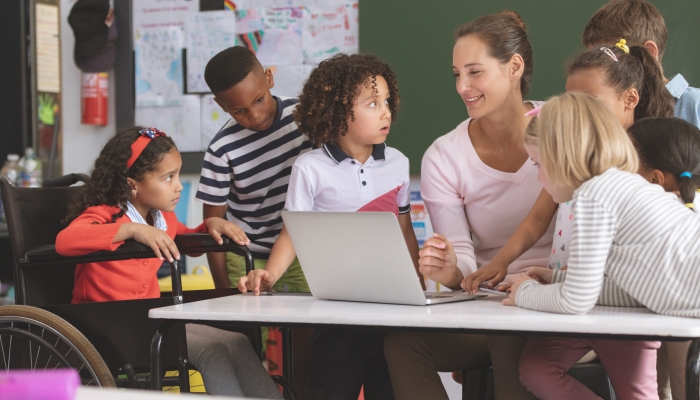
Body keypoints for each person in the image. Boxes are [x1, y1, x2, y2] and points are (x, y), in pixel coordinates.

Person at [383, 11, 547, 400]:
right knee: (403, 343)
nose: (462, 86)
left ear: (514, 67)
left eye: (474, 72)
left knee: (508, 340)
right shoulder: (444, 155)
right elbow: (465, 262)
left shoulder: (562, 128)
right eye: (457, 74)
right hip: (490, 302)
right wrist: (452, 269)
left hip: (558, 296)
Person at [240, 53, 419, 400]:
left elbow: (404, 228)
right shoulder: (310, 168)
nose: (386, 112)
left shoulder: (398, 163)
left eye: (386, 101)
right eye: (372, 103)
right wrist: (271, 275)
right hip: (337, 312)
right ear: (338, 110)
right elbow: (293, 230)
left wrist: (417, 287)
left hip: (391, 310)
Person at [56, 127, 282, 399]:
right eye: (167, 178)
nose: (178, 186)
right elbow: (66, 241)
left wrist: (209, 225)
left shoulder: (161, 218)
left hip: (151, 318)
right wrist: (131, 231)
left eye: (177, 175)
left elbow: (185, 240)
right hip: (108, 326)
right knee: (212, 351)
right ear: (132, 183)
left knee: (237, 340)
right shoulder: (107, 214)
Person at [510, 92, 700, 400]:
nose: (540, 179)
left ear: (562, 155)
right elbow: (635, 292)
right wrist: (558, 278)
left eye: (538, 164)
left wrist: (523, 293)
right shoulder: (618, 187)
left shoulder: (594, 196)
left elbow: (575, 303)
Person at [463, 40, 674, 292]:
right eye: (571, 99)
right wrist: (501, 262)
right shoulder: (573, 155)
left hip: (603, 287)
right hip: (574, 283)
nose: (577, 110)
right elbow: (538, 217)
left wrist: (564, 280)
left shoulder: (640, 162)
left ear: (630, 99)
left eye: (588, 100)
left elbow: (621, 256)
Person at [582, 3, 700, 396]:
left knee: (681, 367)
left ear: (646, 53)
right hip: (633, 283)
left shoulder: (693, 108)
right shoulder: (615, 119)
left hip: (682, 276)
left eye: (612, 57)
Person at [195, 46, 312, 292]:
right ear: (220, 104)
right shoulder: (221, 149)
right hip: (245, 257)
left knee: (307, 327)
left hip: (304, 251)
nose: (255, 115)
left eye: (259, 100)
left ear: (269, 78)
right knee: (250, 330)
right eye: (239, 111)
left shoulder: (307, 119)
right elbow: (213, 225)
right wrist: (221, 289)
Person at [582, 0, 700, 130]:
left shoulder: (695, 104)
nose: (601, 71)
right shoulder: (610, 109)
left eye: (610, 58)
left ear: (649, 52)